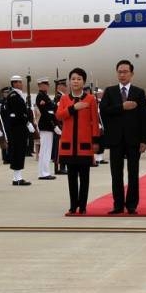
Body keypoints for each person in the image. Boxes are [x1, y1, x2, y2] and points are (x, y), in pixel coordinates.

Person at [99, 59, 146, 215]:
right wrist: (122, 107)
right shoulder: (110, 91)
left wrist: (143, 140)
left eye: (125, 72)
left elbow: (144, 117)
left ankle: (132, 204)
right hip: (116, 139)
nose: (122, 75)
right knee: (116, 174)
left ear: (131, 74)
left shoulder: (139, 92)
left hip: (133, 139)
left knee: (133, 173)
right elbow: (104, 111)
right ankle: (118, 205)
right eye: (120, 72)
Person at [56, 68, 101, 214]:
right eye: (73, 79)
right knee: (71, 177)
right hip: (69, 145)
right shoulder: (64, 99)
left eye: (79, 79)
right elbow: (59, 116)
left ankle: (82, 206)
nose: (76, 81)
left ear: (84, 82)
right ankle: (73, 205)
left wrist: (95, 141)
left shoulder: (90, 99)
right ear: (70, 81)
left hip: (84, 145)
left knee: (84, 177)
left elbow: (95, 121)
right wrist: (73, 108)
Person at [5, 75, 35, 186]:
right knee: (18, 152)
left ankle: (18, 177)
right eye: (19, 82)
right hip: (17, 128)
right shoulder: (14, 96)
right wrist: (27, 122)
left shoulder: (18, 95)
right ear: (14, 83)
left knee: (20, 151)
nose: (21, 84)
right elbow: (18, 113)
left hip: (20, 128)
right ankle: (17, 178)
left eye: (21, 82)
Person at [34, 77, 59, 180]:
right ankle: (44, 173)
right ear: (40, 85)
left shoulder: (45, 96)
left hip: (48, 126)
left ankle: (44, 172)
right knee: (45, 150)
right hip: (46, 126)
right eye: (44, 84)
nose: (47, 86)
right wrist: (54, 126)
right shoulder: (40, 96)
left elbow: (52, 110)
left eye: (47, 84)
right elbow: (46, 113)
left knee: (47, 150)